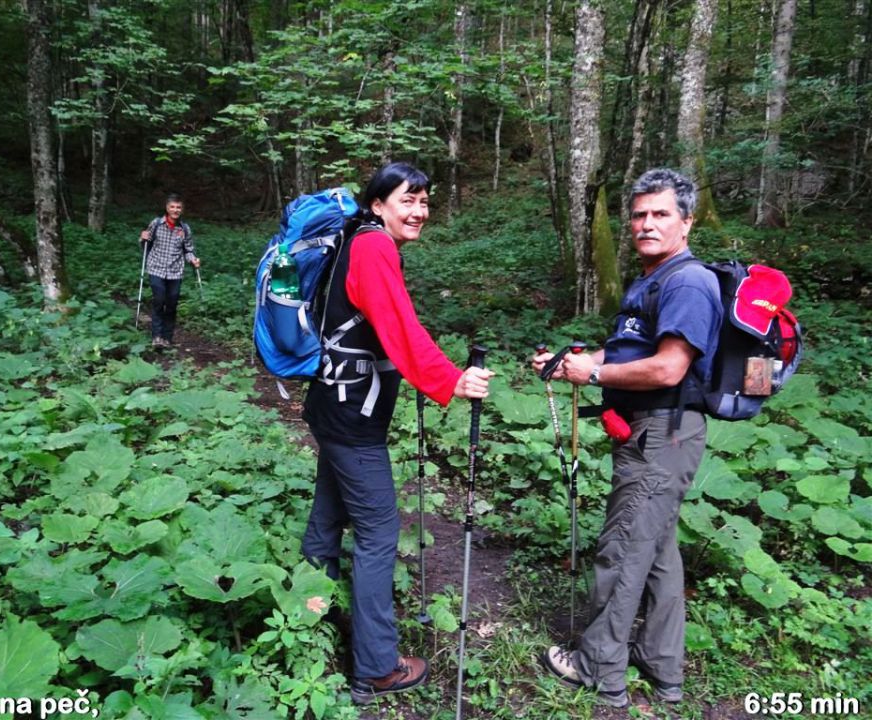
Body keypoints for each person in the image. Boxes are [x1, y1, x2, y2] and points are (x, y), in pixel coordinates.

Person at [300, 162, 494, 705]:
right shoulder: (373, 247)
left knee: (326, 520)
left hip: (331, 405)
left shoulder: (353, 239)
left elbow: (381, 325)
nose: (419, 211)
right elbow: (399, 326)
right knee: (379, 535)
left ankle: (308, 623)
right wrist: (452, 380)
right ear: (379, 203)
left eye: (426, 202)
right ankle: (377, 667)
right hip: (352, 418)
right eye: (408, 200)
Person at [531, 168, 723, 707]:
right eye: (639, 214)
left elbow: (667, 369)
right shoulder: (652, 279)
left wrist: (589, 377)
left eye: (660, 214)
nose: (646, 224)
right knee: (656, 551)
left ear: (686, 222)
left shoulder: (687, 282)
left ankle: (598, 668)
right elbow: (626, 353)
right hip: (650, 433)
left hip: (662, 434)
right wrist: (575, 361)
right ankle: (662, 666)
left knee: (621, 551)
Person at [139, 193, 201, 348]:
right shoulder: (156, 224)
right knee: (159, 300)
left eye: (178, 207)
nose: (175, 210)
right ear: (167, 208)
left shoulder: (185, 229)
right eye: (172, 207)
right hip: (156, 268)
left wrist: (193, 259)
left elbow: (188, 250)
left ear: (182, 209)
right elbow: (146, 243)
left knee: (172, 304)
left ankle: (167, 337)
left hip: (175, 271)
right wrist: (143, 238)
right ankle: (157, 336)